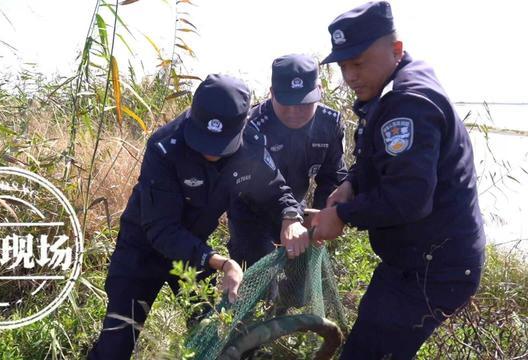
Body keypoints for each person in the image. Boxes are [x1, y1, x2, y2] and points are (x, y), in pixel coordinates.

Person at [87, 74, 310, 360]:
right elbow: (162, 230)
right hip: (142, 252)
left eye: (220, 144)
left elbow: (275, 189)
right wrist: (221, 262)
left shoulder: (251, 145)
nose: (209, 151)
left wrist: (291, 216)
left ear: (242, 127)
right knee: (115, 346)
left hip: (194, 252)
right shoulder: (165, 147)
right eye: (203, 140)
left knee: (213, 335)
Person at [310, 2, 487, 359]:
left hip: (433, 269)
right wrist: (354, 182)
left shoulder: (408, 103)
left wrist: (343, 214)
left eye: (358, 63)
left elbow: (409, 197)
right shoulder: (395, 87)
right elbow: (385, 159)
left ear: (396, 50)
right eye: (343, 66)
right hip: (415, 260)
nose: (350, 76)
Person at [227, 53, 347, 266]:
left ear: (319, 91)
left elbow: (332, 176)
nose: (294, 112)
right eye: (286, 103)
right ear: (272, 93)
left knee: (298, 289)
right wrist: (289, 215)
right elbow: (260, 185)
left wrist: (320, 216)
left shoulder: (330, 124)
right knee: (261, 281)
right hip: (252, 211)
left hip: (295, 207)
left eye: (303, 104)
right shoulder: (253, 126)